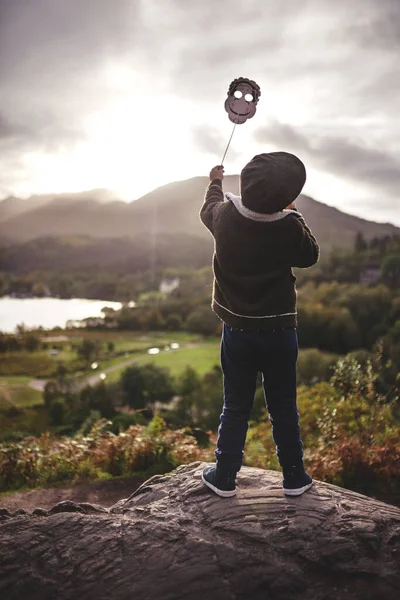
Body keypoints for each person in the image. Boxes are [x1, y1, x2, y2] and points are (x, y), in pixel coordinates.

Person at [200, 152, 319, 498]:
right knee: (283, 404)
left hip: (237, 331)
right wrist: (294, 211)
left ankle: (224, 477)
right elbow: (310, 255)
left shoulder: (224, 218)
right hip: (281, 332)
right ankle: (295, 477)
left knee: (235, 404)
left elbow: (208, 208)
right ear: (286, 197)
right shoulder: (288, 226)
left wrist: (215, 182)